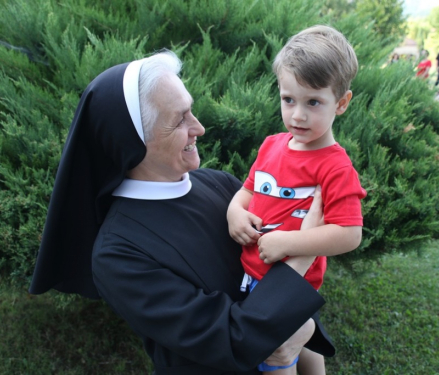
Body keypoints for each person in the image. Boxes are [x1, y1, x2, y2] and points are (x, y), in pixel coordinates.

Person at [28, 51, 335, 374]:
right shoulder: (118, 254)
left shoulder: (220, 185)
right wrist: (304, 249)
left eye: (191, 111)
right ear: (132, 142)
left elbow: (293, 312)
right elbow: (234, 338)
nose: (199, 128)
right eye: (179, 120)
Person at [227, 25, 366, 375]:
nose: (298, 115)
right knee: (300, 338)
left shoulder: (335, 166)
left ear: (342, 103)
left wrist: (289, 241)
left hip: (291, 281)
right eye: (289, 100)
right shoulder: (272, 144)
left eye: (313, 102)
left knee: (276, 352)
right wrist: (234, 213)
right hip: (254, 272)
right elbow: (248, 190)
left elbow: (349, 233)